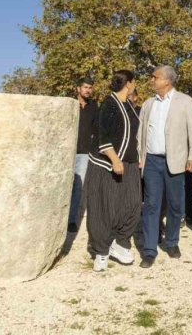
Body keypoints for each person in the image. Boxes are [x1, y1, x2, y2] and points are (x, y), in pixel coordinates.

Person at [137, 65, 192, 268]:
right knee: (151, 205)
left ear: (167, 80)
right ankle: (149, 250)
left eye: (154, 77)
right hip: (152, 162)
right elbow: (141, 132)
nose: (151, 80)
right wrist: (140, 156)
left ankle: (172, 242)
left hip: (176, 161)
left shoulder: (185, 101)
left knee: (175, 205)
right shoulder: (148, 104)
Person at [86, 70, 140, 271]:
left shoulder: (129, 105)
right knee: (104, 209)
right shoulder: (109, 104)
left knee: (132, 205)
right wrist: (115, 159)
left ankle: (120, 243)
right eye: (134, 82)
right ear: (128, 84)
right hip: (107, 164)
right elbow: (103, 135)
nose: (135, 85)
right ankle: (101, 252)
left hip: (130, 165)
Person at [69, 77, 98, 232]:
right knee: (66, 186)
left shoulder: (94, 107)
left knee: (78, 187)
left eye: (90, 87)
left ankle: (71, 220)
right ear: (78, 89)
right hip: (67, 152)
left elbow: (96, 129)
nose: (88, 90)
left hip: (84, 153)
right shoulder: (70, 105)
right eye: (85, 87)